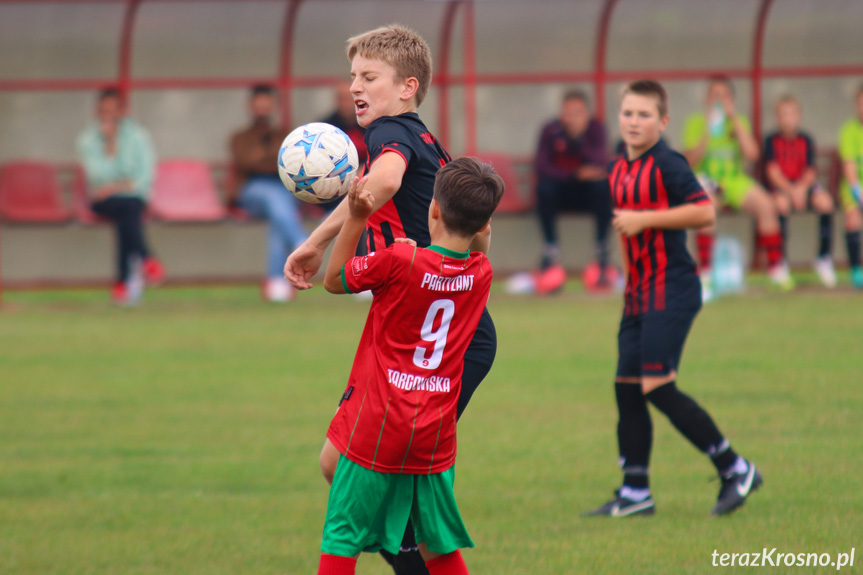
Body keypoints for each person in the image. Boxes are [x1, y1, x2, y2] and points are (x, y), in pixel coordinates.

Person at [284, 24, 498, 575]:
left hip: (427, 340)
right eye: (353, 75)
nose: (356, 85)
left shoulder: (389, 135)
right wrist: (314, 241)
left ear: (407, 86)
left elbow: (384, 179)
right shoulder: (417, 134)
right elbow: (385, 188)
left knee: (375, 477)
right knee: (345, 464)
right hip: (444, 328)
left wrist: (362, 201)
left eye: (369, 76)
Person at [317, 157, 503, 575]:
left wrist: (358, 218)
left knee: (342, 541)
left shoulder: (400, 261)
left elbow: (334, 279)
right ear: (484, 225)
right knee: (437, 547)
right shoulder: (481, 273)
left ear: (432, 209)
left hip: (377, 424)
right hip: (434, 431)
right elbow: (477, 246)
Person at [585, 79, 761, 518]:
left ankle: (735, 467)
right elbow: (625, 232)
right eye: (628, 113)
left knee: (657, 386)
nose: (634, 121)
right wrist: (628, 283)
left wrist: (647, 218)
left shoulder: (668, 163)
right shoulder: (617, 169)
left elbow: (705, 211)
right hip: (638, 293)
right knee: (626, 389)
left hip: (673, 288)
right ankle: (635, 492)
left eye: (645, 114)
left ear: (663, 122)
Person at [683, 76, 792, 293]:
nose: (719, 100)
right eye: (715, 95)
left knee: (766, 205)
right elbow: (688, 162)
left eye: (724, 96)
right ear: (707, 98)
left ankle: (776, 268)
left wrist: (735, 123)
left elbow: (752, 155)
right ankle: (705, 273)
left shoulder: (738, 121)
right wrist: (707, 130)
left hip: (733, 180)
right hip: (706, 181)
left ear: (732, 100)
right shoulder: (695, 122)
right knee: (706, 207)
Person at [76, 87, 164, 305]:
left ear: (123, 111)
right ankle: (146, 259)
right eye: (104, 111)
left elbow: (145, 176)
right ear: (97, 111)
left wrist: (117, 185)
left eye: (113, 110)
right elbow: (97, 177)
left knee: (127, 213)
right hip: (104, 201)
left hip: (131, 198)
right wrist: (109, 146)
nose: (109, 116)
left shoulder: (138, 136)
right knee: (128, 210)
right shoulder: (88, 140)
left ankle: (122, 283)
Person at [228, 84, 308, 302]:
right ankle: (301, 240)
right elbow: (246, 161)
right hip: (251, 192)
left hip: (282, 192)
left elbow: (288, 163)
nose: (262, 107)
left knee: (278, 217)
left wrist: (262, 157)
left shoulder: (285, 134)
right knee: (276, 198)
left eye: (267, 102)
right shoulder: (240, 136)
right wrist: (272, 158)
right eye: (258, 102)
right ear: (250, 105)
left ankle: (276, 283)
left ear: (274, 106)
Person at [534, 90, 613, 285]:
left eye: (577, 113)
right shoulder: (550, 130)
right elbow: (542, 165)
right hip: (562, 191)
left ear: (587, 113)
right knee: (545, 188)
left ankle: (601, 248)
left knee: (604, 187)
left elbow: (601, 161)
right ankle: (550, 248)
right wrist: (573, 175)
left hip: (588, 193)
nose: (572, 118)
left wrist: (579, 140)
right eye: (568, 113)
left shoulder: (596, 129)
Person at [763, 94, 836, 287]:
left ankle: (823, 258)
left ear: (799, 116)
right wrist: (791, 190)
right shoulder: (771, 140)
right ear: (777, 118)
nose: (788, 119)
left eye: (791, 114)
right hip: (783, 187)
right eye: (783, 114)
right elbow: (773, 172)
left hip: (803, 185)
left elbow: (811, 170)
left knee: (825, 203)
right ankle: (781, 261)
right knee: (781, 204)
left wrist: (801, 189)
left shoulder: (806, 139)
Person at [837, 83, 863, 289]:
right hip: (856, 189)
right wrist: (859, 194)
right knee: (853, 217)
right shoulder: (849, 130)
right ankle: (856, 269)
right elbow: (850, 168)